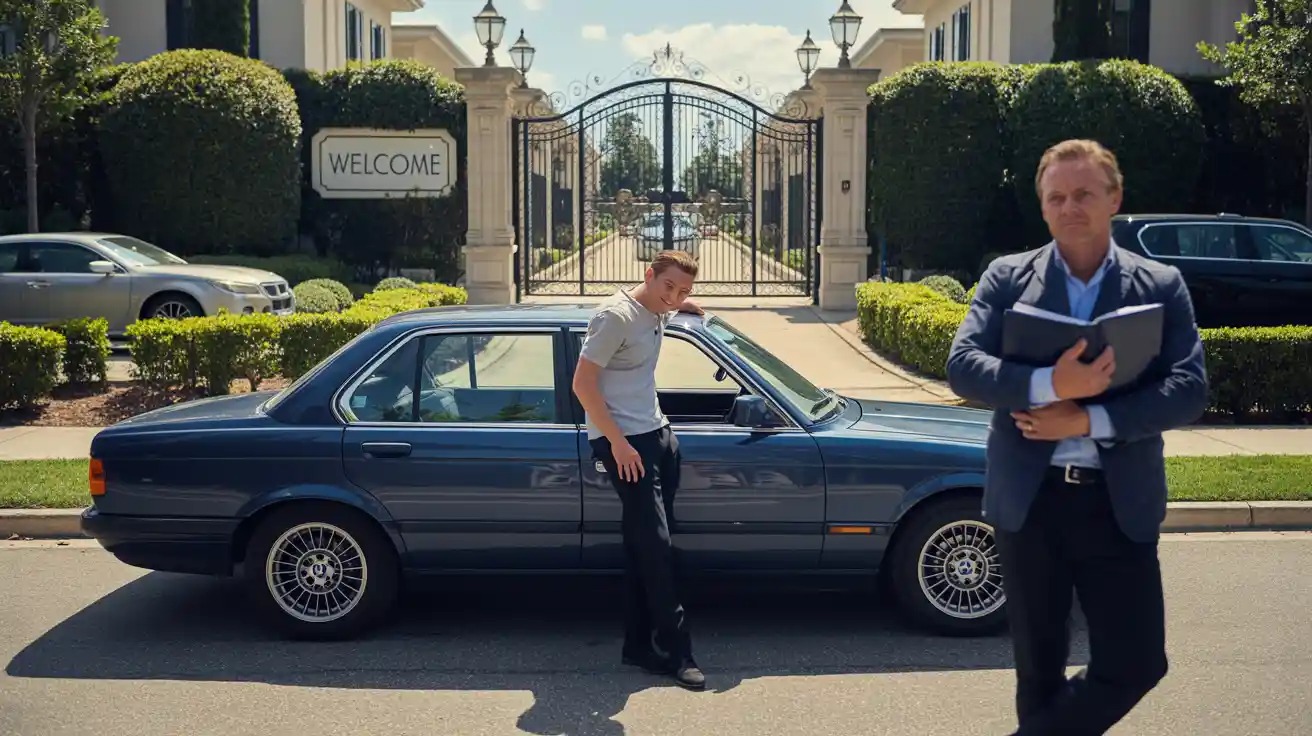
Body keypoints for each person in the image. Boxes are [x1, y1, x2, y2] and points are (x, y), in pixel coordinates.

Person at [945, 139, 1209, 735]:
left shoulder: (1160, 284)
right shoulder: (1007, 278)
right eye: (1056, 197)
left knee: (1137, 662)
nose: (1070, 207)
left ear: (1114, 197)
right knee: (1038, 670)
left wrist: (1088, 419)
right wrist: (1050, 383)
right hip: (1029, 501)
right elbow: (963, 366)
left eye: (1084, 194)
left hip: (1117, 502)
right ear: (1042, 206)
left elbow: (1189, 389)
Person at [572, 249, 707, 690]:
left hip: (657, 435)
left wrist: (683, 302)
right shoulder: (615, 317)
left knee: (641, 547)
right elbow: (582, 384)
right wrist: (617, 443)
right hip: (626, 445)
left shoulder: (657, 309)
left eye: (682, 291)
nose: (674, 297)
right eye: (668, 286)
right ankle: (679, 652)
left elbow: (670, 302)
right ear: (648, 275)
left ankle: (636, 645)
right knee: (658, 548)